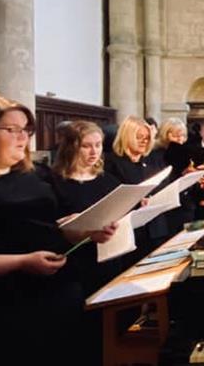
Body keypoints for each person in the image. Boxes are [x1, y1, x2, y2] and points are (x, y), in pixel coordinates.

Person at [0, 94, 115, 366]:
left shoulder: (37, 174)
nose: (22, 137)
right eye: (11, 130)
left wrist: (85, 231)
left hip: (62, 292)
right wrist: (21, 262)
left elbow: (54, 227)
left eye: (26, 129)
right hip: (9, 306)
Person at [49, 120, 125, 296]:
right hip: (75, 266)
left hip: (109, 258)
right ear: (70, 147)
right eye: (86, 146)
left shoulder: (110, 181)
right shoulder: (53, 182)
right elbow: (50, 227)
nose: (94, 151)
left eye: (98, 145)